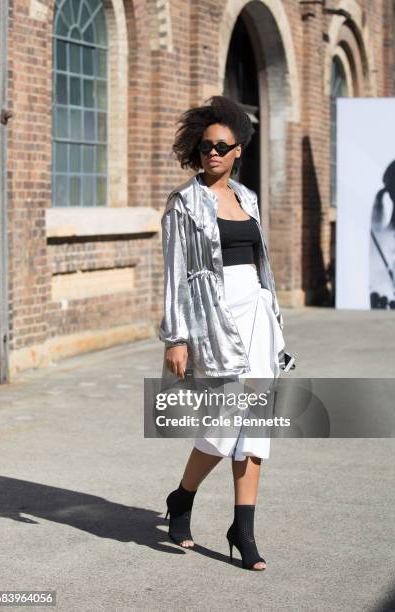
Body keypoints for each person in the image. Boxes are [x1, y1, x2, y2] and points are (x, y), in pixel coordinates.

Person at [159, 96, 295, 571]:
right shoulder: (184, 204)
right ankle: (183, 497)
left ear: (239, 150)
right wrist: (176, 337)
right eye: (204, 146)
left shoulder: (249, 198)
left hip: (258, 318)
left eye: (221, 146)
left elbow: (264, 271)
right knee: (221, 427)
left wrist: (277, 329)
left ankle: (244, 527)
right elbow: (175, 272)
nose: (211, 153)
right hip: (214, 323)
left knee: (256, 426)